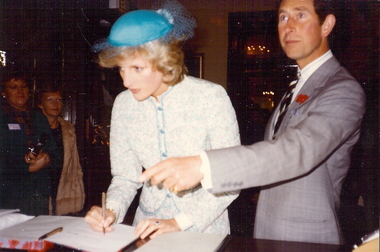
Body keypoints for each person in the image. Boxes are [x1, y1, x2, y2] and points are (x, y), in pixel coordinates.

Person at [140, 0, 366, 245]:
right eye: (282, 17)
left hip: (307, 239)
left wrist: (203, 166)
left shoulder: (343, 90)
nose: (288, 26)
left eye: (300, 16)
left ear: (327, 25)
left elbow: (296, 151)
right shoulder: (298, 85)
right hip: (269, 232)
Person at [84, 0, 240, 240]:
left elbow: (230, 177)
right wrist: (111, 210)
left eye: (137, 68)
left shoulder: (211, 97)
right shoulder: (124, 104)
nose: (126, 81)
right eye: (121, 69)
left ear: (164, 60)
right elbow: (126, 177)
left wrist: (178, 223)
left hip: (203, 228)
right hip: (146, 227)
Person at [0, 69, 59, 216]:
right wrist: (27, 169)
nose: (20, 91)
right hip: (9, 194)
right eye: (14, 87)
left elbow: (55, 153)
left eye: (24, 86)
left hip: (38, 193)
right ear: (3, 92)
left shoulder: (39, 118)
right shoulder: (2, 119)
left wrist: (46, 159)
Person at [37, 85, 85, 216]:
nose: (55, 104)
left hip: (62, 184)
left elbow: (75, 164)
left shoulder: (68, 128)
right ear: (40, 104)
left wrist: (77, 195)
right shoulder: (33, 127)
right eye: (50, 100)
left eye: (58, 100)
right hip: (41, 185)